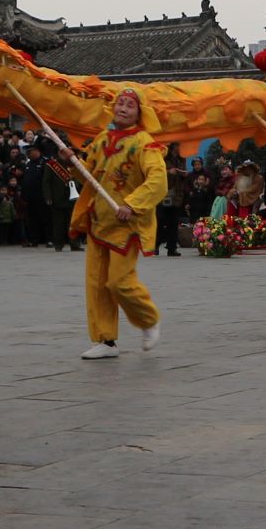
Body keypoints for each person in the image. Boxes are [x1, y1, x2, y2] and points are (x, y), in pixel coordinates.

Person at [72, 88, 168, 360]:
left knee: (118, 282)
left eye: (130, 105)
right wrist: (69, 161)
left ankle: (148, 318)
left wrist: (132, 204)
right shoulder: (102, 140)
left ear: (139, 112)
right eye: (120, 103)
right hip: (99, 219)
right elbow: (87, 176)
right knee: (97, 284)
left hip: (126, 224)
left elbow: (158, 181)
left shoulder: (143, 142)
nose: (123, 108)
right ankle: (105, 340)